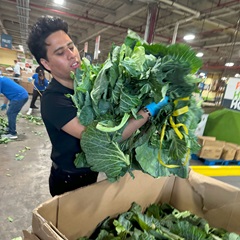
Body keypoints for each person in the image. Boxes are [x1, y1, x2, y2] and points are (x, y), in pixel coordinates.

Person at [27, 16, 169, 197]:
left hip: (90, 172)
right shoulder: (53, 100)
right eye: (60, 53)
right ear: (46, 63)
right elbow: (105, 138)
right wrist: (149, 110)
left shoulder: (89, 82)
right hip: (69, 179)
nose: (71, 54)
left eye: (71, 47)